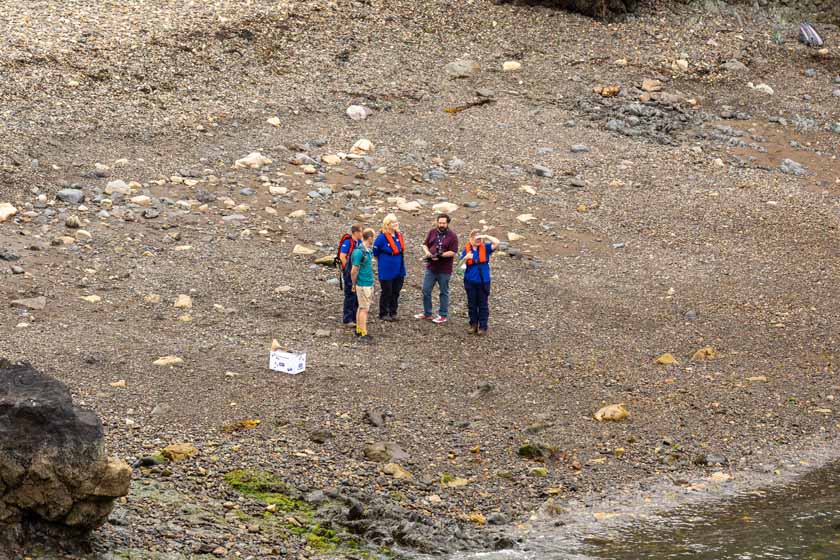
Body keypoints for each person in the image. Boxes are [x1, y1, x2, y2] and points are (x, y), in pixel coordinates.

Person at [416, 214, 458, 324]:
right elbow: (424, 245)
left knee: (444, 292)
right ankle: (427, 313)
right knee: (426, 290)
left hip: (444, 269)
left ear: (448, 223)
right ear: (437, 222)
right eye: (440, 223)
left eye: (444, 223)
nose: (441, 225)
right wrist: (428, 253)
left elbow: (453, 252)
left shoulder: (452, 236)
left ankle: (443, 315)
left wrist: (441, 255)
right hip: (431, 267)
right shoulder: (432, 232)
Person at [461, 229, 500, 336]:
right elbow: (460, 267)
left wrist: (486, 235)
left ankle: (483, 326)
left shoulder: (486, 248)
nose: (478, 240)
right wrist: (465, 258)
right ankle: (473, 324)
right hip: (470, 281)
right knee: (472, 304)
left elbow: (497, 242)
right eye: (476, 238)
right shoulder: (466, 250)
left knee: (483, 305)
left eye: (480, 238)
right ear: (471, 239)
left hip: (484, 281)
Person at [372, 214, 406, 321]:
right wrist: (383, 261)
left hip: (399, 266)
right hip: (386, 268)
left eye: (396, 222)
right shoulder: (381, 238)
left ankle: (393, 311)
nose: (396, 224)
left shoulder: (398, 235)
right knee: (387, 290)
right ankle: (383, 313)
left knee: (396, 290)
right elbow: (375, 251)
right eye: (393, 222)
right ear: (387, 225)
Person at [350, 228, 376, 342]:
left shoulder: (367, 250)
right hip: (363, 284)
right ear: (369, 237)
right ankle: (363, 333)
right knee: (364, 309)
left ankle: (359, 329)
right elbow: (353, 270)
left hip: (367, 283)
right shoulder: (360, 252)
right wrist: (354, 283)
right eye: (373, 237)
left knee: (361, 307)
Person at [338, 224, 363, 326]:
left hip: (358, 272)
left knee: (357, 294)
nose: (362, 234)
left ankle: (355, 316)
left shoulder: (360, 243)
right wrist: (348, 270)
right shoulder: (348, 242)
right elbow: (342, 256)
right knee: (350, 295)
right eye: (361, 231)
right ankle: (347, 318)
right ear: (355, 232)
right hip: (349, 272)